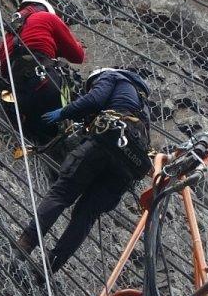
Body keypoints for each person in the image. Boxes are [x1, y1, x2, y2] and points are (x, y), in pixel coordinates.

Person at [12, 67, 153, 279]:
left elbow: (95, 100)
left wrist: (64, 112)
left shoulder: (112, 76)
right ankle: (48, 268)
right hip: (128, 166)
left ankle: (24, 245)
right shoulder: (143, 108)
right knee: (85, 216)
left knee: (61, 194)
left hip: (106, 142)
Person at [0, 0, 85, 145]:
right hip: (46, 85)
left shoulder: (8, 37)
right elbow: (78, 56)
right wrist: (78, 45)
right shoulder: (47, 17)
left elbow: (6, 68)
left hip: (18, 94)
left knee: (41, 127)